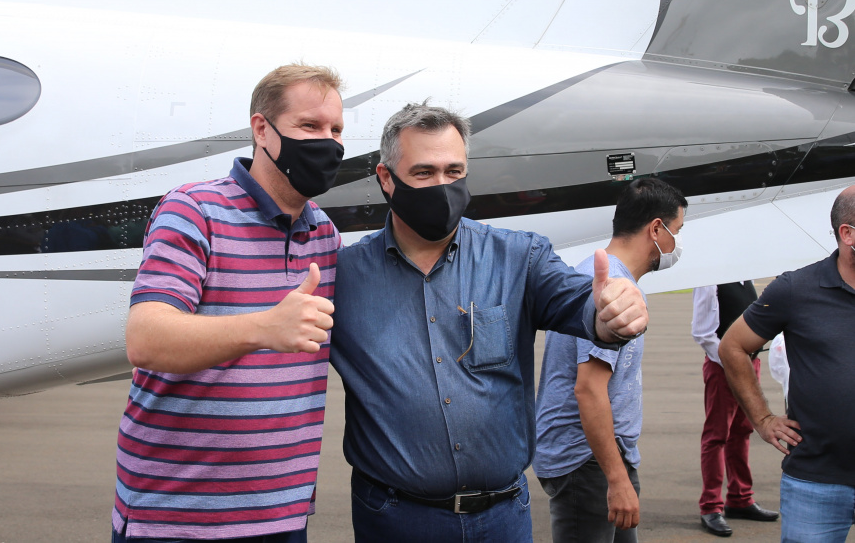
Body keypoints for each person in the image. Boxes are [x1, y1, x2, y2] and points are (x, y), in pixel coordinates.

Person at [330, 102, 649, 542]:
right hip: (396, 518)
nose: (442, 186)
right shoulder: (345, 277)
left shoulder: (519, 257)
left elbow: (581, 304)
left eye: (454, 171)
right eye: (424, 173)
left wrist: (612, 315)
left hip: (502, 518)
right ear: (386, 178)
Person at [112, 64, 345, 542]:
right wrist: (263, 328)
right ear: (262, 129)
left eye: (336, 130)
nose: (328, 142)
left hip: (281, 516)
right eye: (309, 126)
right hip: (175, 518)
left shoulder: (325, 234)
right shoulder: (194, 210)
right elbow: (146, 338)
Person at [534, 178, 688, 543]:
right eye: (677, 231)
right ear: (656, 229)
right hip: (587, 461)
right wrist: (617, 480)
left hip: (600, 457)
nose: (677, 244)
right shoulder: (612, 290)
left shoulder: (600, 275)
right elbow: (588, 389)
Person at [719, 185, 855, 543]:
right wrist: (762, 419)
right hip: (816, 481)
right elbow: (733, 346)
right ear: (848, 234)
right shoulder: (796, 289)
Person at [692, 281, 779, 537]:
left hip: (749, 364)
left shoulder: (745, 278)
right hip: (724, 367)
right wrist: (732, 361)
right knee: (717, 436)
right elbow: (703, 333)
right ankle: (711, 505)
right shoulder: (710, 281)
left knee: (742, 431)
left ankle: (740, 498)